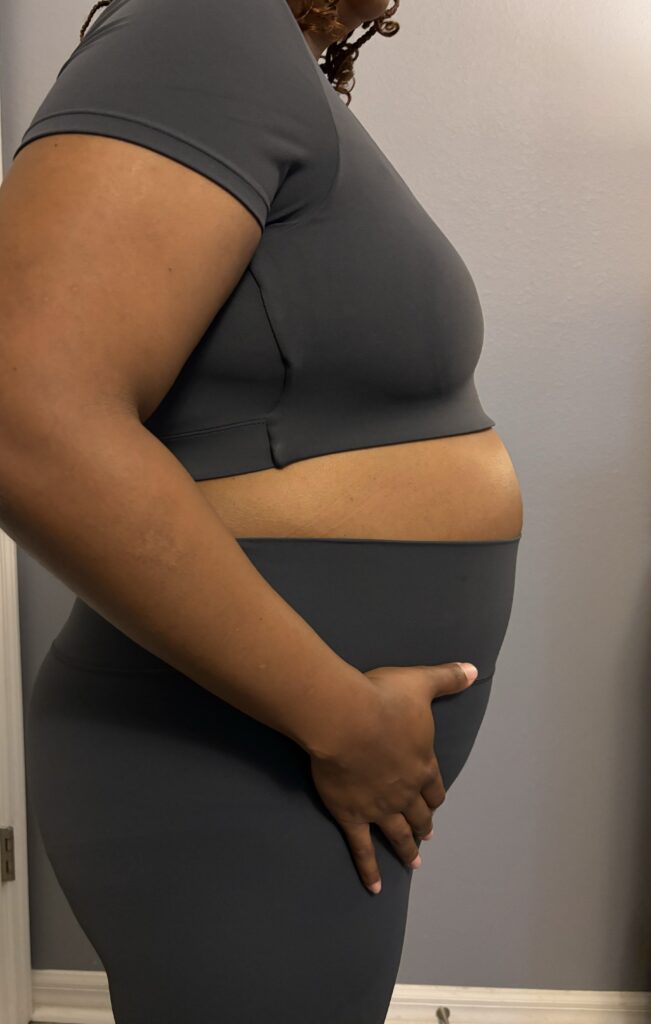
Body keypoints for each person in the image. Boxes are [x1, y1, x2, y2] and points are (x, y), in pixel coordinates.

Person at [0, 0, 523, 1020]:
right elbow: (26, 416)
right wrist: (344, 719)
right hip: (249, 758)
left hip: (288, 773)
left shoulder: (246, 54)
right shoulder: (201, 23)